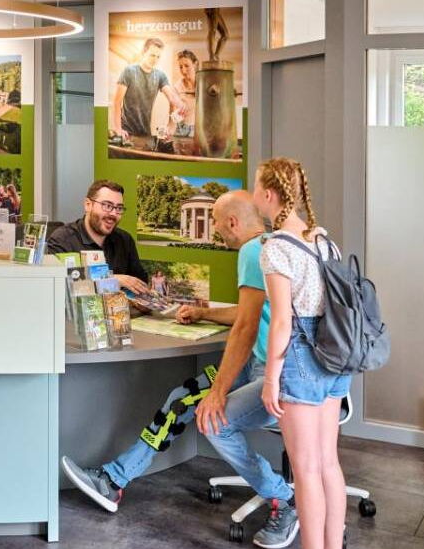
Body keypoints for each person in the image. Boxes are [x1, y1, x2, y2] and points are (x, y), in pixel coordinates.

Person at [59, 192, 298, 530]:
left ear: (232, 222)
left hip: (271, 375)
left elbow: (245, 329)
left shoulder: (251, 251)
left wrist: (218, 392)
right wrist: (204, 313)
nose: (215, 229)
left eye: (216, 222)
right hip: (257, 364)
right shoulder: (271, 245)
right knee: (180, 400)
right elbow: (252, 312)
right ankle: (114, 480)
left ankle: (283, 498)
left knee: (214, 422)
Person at [204, 157, 346, 549]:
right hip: (334, 357)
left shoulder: (275, 248)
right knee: (328, 464)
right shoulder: (324, 240)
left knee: (305, 470)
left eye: (255, 188)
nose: (252, 195)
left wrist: (270, 380)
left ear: (268, 195)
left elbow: (282, 322)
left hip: (299, 360)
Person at [45, 180, 149, 294]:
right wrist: (112, 280)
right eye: (107, 206)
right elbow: (61, 289)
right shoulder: (62, 240)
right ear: (88, 205)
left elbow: (139, 283)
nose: (113, 214)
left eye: (119, 208)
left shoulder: (124, 240)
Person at [111, 37, 188, 139]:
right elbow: (117, 102)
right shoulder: (129, 71)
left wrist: (180, 105)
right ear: (144, 53)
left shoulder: (160, 76)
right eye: (152, 55)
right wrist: (118, 129)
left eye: (158, 56)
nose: (155, 60)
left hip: (146, 133)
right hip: (127, 133)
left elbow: (172, 97)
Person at [171, 49, 198, 133]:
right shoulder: (177, 87)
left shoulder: (204, 84)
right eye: (181, 67)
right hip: (182, 130)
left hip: (201, 130)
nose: (183, 70)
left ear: (195, 64)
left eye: (187, 66)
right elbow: (173, 114)